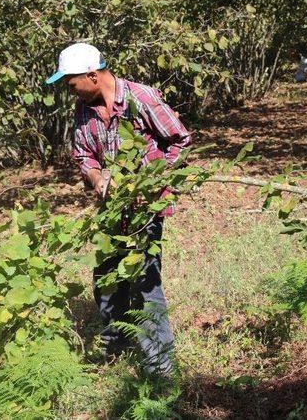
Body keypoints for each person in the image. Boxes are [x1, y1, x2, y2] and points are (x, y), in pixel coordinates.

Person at [46, 43, 191, 375]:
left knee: (145, 283)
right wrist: (96, 177)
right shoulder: (84, 109)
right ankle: (117, 345)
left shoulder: (142, 99)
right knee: (107, 279)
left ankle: (160, 368)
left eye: (71, 83)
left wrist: (154, 180)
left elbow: (179, 139)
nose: (70, 92)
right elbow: (84, 154)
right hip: (111, 209)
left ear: (93, 76)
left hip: (145, 208)